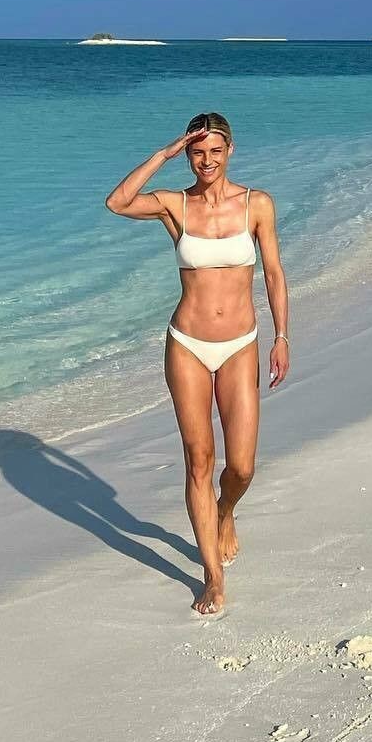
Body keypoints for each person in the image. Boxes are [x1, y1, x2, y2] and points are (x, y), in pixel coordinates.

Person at [105, 112, 289, 614]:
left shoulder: (256, 204)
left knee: (242, 466)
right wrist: (162, 154)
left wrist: (282, 336)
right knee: (199, 458)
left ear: (230, 151)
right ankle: (212, 575)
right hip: (187, 343)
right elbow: (117, 202)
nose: (206, 161)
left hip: (240, 344)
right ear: (188, 155)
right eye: (196, 152)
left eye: (215, 151)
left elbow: (273, 272)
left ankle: (225, 511)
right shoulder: (175, 205)